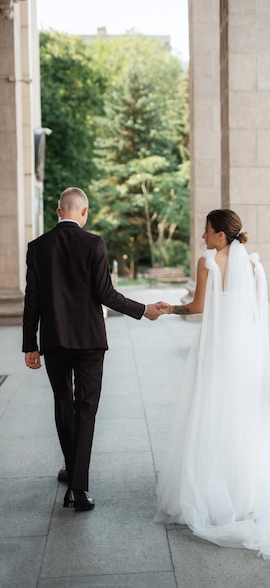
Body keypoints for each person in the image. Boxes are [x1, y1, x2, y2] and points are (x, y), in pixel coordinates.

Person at [154, 209, 270, 559]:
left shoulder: (209, 262)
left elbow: (198, 306)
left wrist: (170, 309)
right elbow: (263, 309)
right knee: (248, 417)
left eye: (207, 231)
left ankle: (217, 490)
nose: (203, 237)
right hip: (249, 355)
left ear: (221, 235)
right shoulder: (253, 265)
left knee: (214, 413)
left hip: (218, 352)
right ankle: (248, 491)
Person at [22, 187, 161, 511]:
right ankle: (79, 489)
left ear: (59, 212)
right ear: (84, 212)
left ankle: (72, 470)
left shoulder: (38, 247)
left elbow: (33, 300)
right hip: (90, 341)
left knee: (63, 405)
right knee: (86, 409)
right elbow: (106, 294)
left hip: (55, 341)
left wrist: (31, 345)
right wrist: (143, 309)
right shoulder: (94, 243)